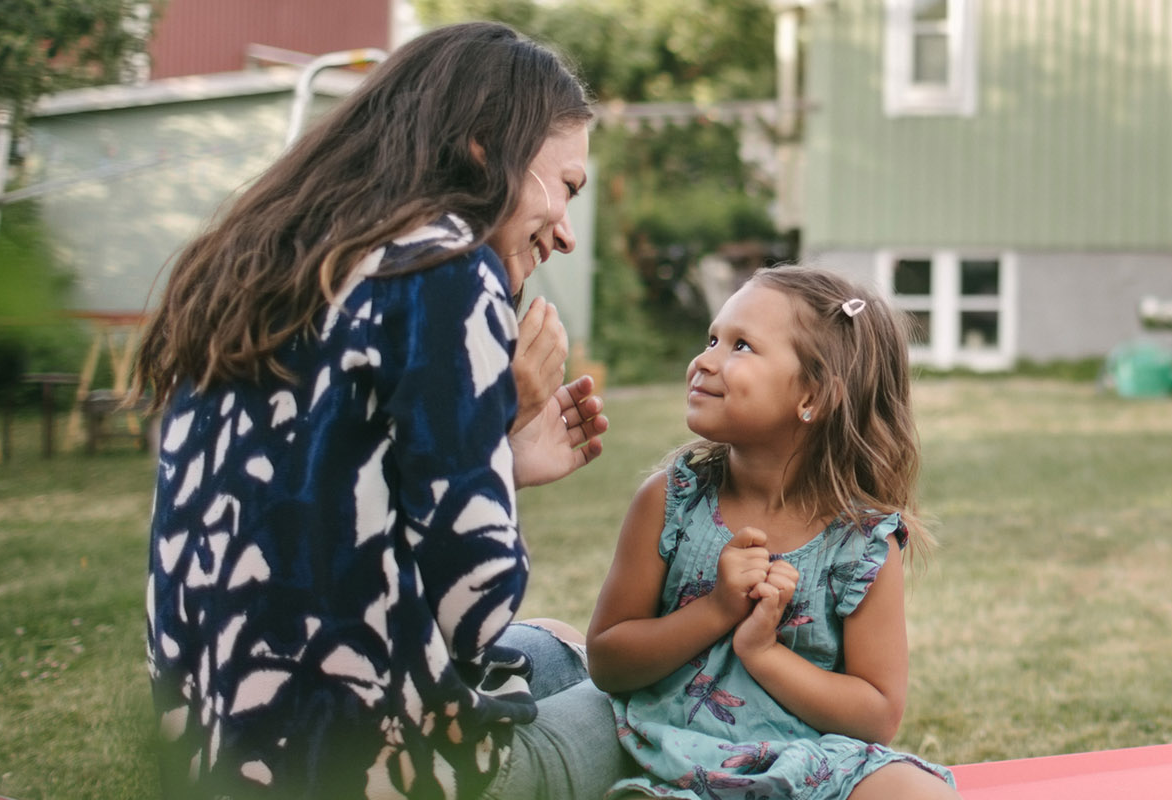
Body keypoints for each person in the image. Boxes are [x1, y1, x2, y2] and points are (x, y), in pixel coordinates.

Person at [135, 21, 624, 799]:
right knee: (648, 703)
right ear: (486, 147)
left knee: (563, 645)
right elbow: (476, 609)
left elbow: (325, 534)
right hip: (364, 773)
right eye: (566, 186)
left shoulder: (263, 265)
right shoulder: (446, 269)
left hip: (212, 757)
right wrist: (496, 416)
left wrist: (497, 454)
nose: (565, 232)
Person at [586, 266, 960, 799]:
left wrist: (763, 652)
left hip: (808, 768)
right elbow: (606, 661)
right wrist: (716, 609)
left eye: (740, 346)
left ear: (813, 396)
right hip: (672, 755)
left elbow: (876, 715)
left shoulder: (861, 544)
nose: (704, 361)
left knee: (919, 791)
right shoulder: (670, 502)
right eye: (712, 339)